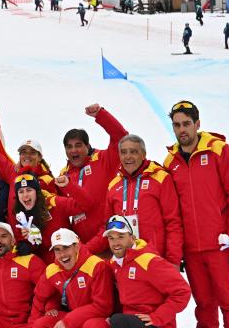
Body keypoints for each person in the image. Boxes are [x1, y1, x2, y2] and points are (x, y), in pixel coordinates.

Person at [163, 100, 229, 328]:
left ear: (197, 124)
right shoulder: (171, 161)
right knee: (203, 305)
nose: (182, 130)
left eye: (186, 124)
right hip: (192, 249)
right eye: (177, 125)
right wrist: (175, 251)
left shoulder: (218, 150)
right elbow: (171, 210)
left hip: (221, 243)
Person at [92, 216, 190, 328]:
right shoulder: (115, 264)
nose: (115, 243)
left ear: (132, 237)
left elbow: (182, 291)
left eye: (120, 237)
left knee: (119, 321)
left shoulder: (149, 261)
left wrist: (157, 317)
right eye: (111, 238)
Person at [84, 134, 183, 267]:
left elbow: (173, 223)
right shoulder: (113, 185)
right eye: (123, 152)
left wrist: (173, 260)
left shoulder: (160, 178)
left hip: (155, 260)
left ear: (143, 154)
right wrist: (84, 250)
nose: (128, 157)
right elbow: (106, 227)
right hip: (125, 262)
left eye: (133, 152)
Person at [30, 228, 114, 328]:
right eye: (57, 250)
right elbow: (40, 297)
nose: (62, 255)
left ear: (77, 246)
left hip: (101, 323)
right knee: (40, 326)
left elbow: (103, 307)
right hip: (75, 322)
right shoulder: (52, 270)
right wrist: (34, 324)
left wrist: (68, 320)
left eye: (66, 248)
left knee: (92, 327)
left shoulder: (97, 266)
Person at [58, 103, 128, 246]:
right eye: (69, 147)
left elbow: (121, 137)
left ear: (87, 146)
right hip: (83, 248)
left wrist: (101, 115)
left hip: (112, 243)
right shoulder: (64, 176)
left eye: (78, 145)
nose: (73, 150)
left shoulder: (103, 159)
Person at [0, 100, 58, 214]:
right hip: (16, 231)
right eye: (23, 152)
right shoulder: (13, 172)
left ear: (40, 157)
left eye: (32, 152)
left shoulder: (48, 180)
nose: (27, 156)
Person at [10, 172, 95, 263]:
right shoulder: (20, 216)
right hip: (50, 267)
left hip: (73, 258)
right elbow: (35, 250)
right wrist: (29, 244)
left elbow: (86, 204)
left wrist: (69, 186)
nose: (25, 195)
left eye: (29, 190)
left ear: (37, 192)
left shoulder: (53, 203)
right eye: (21, 192)